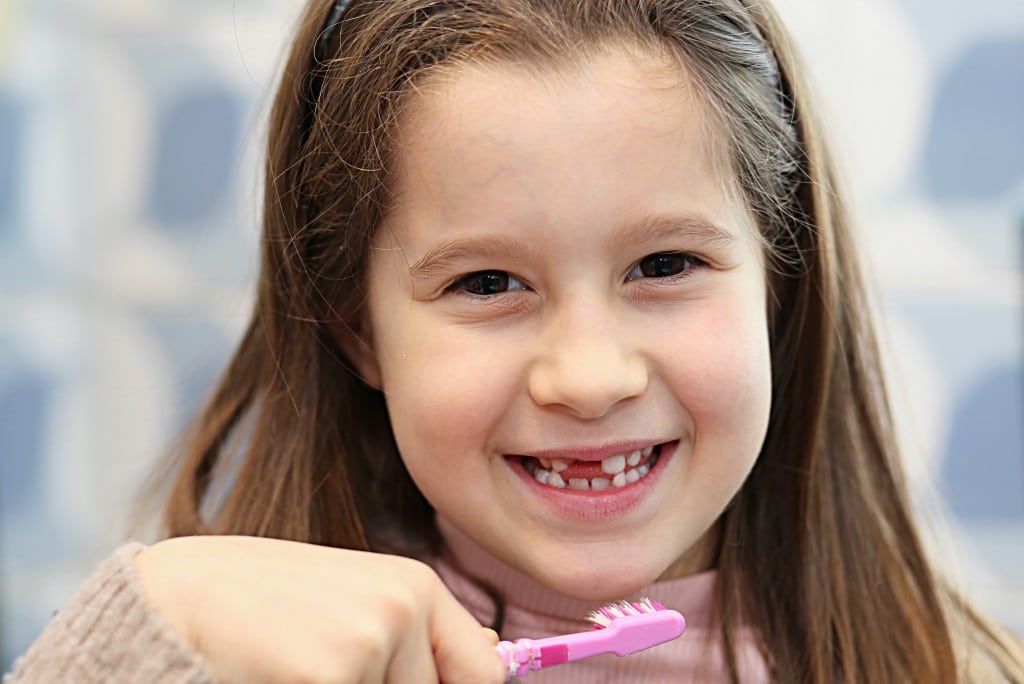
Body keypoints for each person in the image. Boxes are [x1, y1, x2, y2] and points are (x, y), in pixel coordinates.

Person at [7, 0, 1024, 681]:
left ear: (778, 287)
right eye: (487, 283)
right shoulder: (221, 658)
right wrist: (150, 628)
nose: (588, 377)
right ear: (358, 331)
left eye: (664, 266)